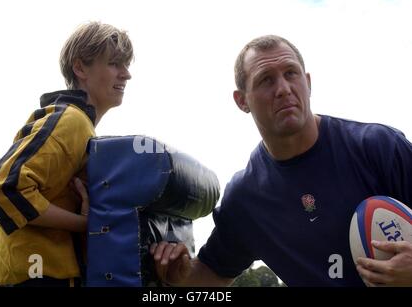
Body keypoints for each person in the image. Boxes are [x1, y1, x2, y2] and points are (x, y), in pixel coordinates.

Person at [151, 35, 412, 287]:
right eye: (266, 80)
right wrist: (179, 275)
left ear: (307, 83)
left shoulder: (378, 146)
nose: (283, 89)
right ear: (242, 101)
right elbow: (212, 273)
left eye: (291, 73)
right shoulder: (246, 198)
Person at [0, 21, 133, 286]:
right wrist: (86, 224)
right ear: (80, 68)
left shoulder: (82, 127)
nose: (126, 74)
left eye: (126, 65)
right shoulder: (71, 120)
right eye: (115, 63)